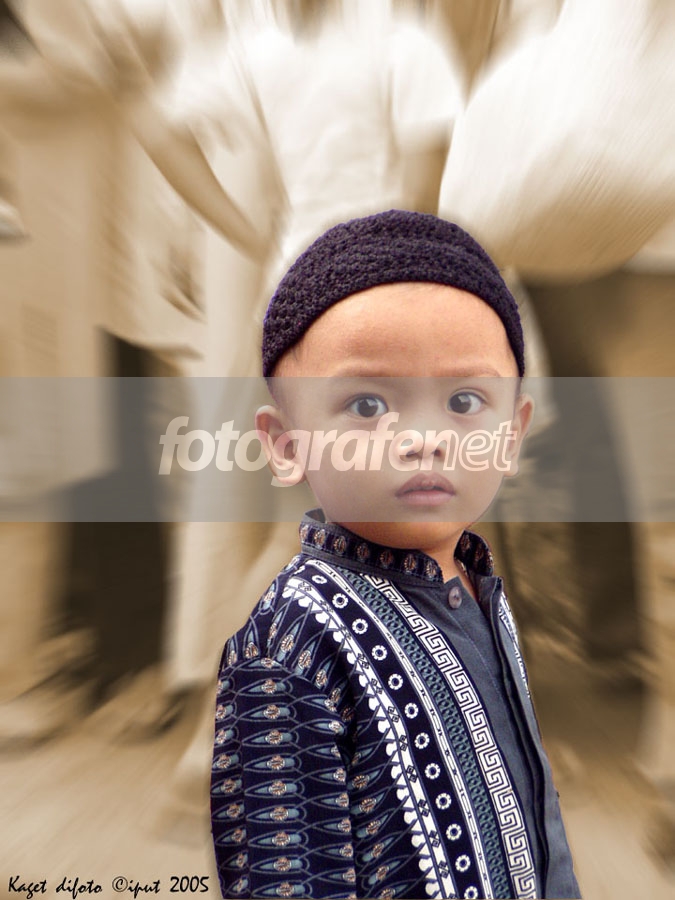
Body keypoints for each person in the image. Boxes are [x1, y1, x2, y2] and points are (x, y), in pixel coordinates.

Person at [210, 210, 580, 899]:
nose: (422, 438)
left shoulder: (479, 591)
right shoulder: (290, 647)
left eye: (464, 400)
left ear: (510, 435)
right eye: (366, 405)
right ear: (286, 445)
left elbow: (537, 826)